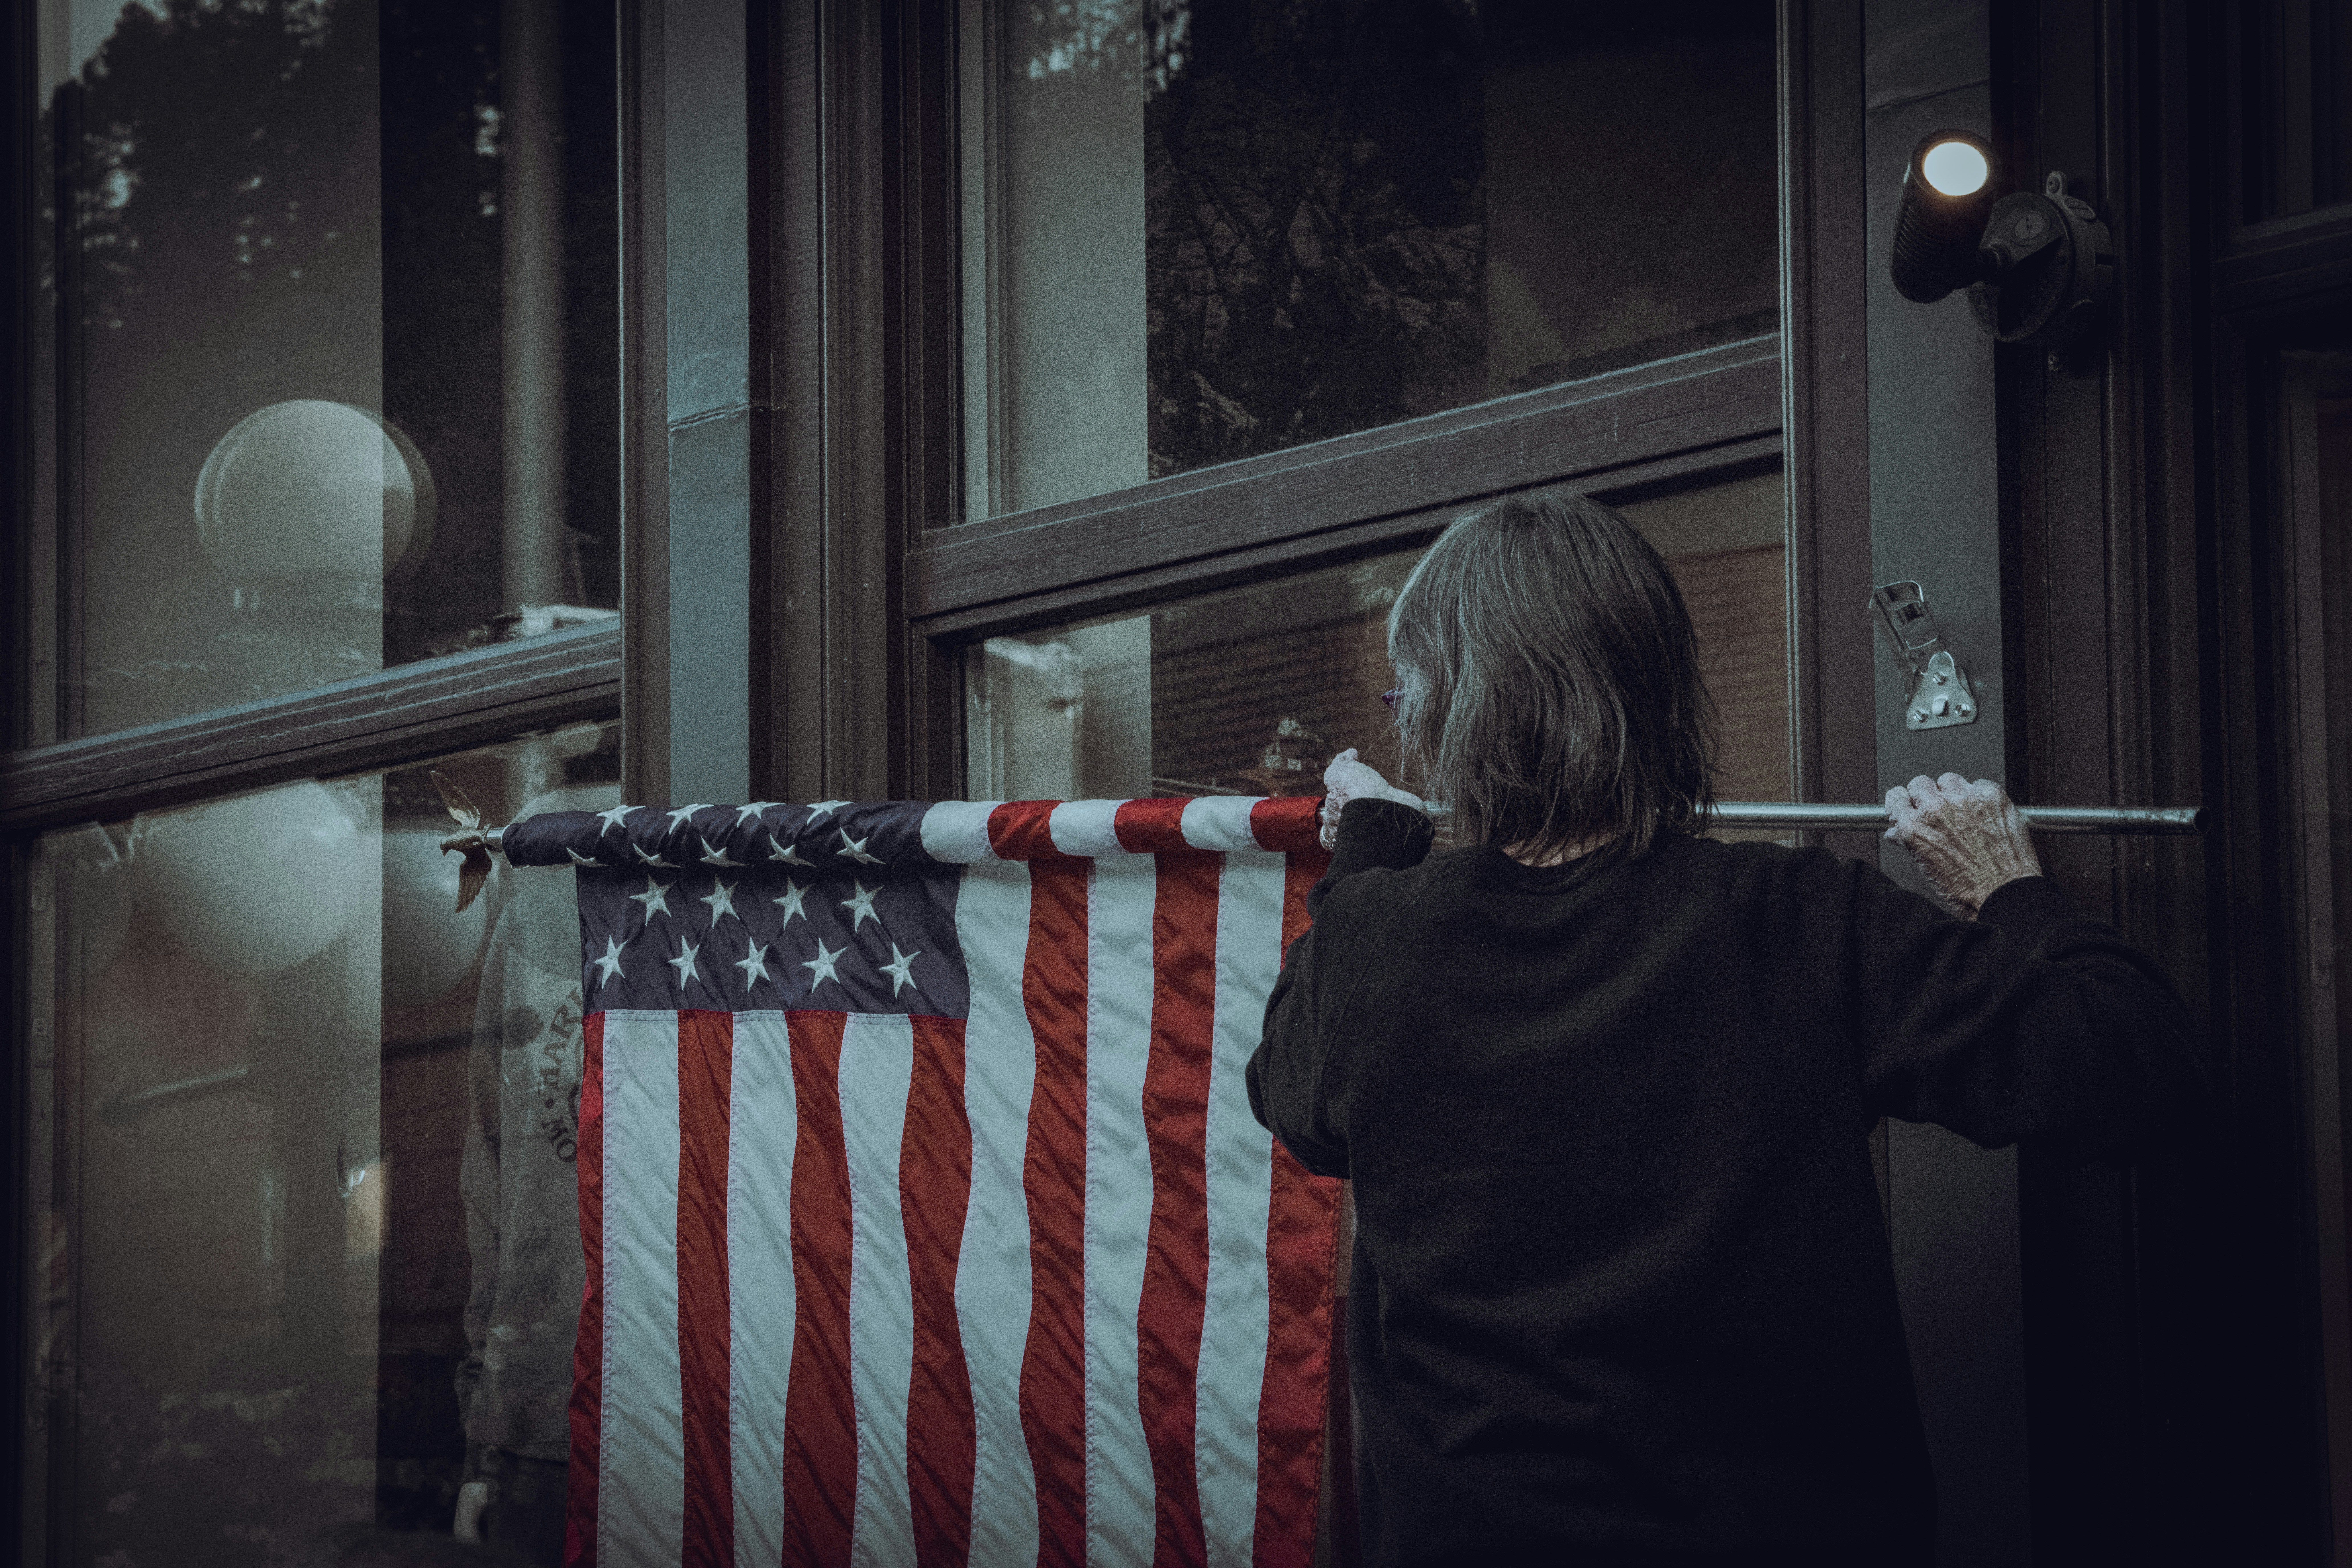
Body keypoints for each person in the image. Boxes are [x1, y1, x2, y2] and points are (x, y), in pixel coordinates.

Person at [1248, 489, 2200, 1567]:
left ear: (1453, 713)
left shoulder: (1372, 937)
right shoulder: (1800, 918)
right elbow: (2137, 1067)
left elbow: (1300, 1107)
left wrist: (1371, 850)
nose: (1403, 721)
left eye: (1404, 695)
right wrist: (2008, 888)